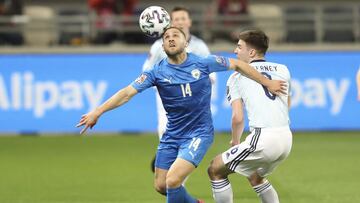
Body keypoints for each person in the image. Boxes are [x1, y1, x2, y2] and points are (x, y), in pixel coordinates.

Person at [77, 27, 286, 202]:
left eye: (175, 36)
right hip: (172, 135)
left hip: (199, 133)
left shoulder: (203, 62)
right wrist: (97, 111)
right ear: (163, 46)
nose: (170, 39)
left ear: (186, 43)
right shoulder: (156, 72)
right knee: (161, 186)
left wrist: (267, 82)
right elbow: (126, 93)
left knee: (173, 181)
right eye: (166, 37)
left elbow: (239, 65)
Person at [207, 30, 292, 203]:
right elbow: (287, 102)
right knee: (255, 177)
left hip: (264, 139)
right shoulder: (283, 70)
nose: (235, 51)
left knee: (215, 169)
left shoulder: (237, 76)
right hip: (286, 138)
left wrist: (235, 141)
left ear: (251, 52)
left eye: (239, 47)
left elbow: (237, 117)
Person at [142, 6, 217, 172]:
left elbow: (212, 74)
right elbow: (147, 70)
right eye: (176, 19)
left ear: (189, 21)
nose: (180, 22)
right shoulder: (159, 46)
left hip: (193, 101)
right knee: (164, 130)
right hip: (167, 99)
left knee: (190, 139)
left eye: (183, 18)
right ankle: (173, 174)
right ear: (170, 22)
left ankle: (174, 175)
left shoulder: (199, 46)